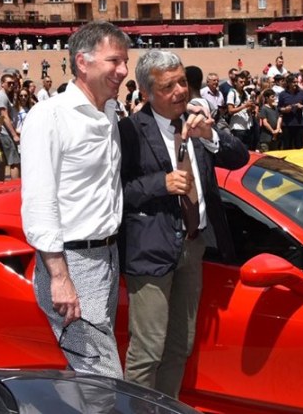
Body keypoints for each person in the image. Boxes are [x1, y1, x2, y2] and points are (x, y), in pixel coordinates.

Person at [118, 50, 248, 398]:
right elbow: (114, 192)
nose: (180, 91)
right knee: (148, 350)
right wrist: (159, 184)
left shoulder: (197, 117)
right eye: (167, 86)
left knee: (181, 345)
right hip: (151, 250)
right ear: (146, 93)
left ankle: (166, 407)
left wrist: (210, 135)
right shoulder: (129, 131)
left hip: (194, 244)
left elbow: (239, 157)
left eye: (183, 82)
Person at [21, 21, 130, 379]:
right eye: (114, 61)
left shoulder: (109, 113)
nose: (124, 70)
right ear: (82, 62)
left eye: (125, 61)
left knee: (92, 377)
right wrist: (59, 277)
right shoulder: (49, 116)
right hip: (73, 262)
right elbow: (39, 200)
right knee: (105, 379)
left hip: (107, 257)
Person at [0, 73, 21, 180]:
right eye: (9, 83)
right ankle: (15, 188)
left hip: (1, 133)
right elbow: (4, 115)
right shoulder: (2, 96)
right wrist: (14, 135)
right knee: (14, 162)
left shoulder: (2, 96)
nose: (11, 85)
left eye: (13, 83)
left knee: (2, 162)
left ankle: (2, 187)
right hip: (5, 133)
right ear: (2, 84)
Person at [277, 73, 303, 150]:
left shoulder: (302, 93)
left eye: (297, 82)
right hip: (287, 125)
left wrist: (301, 106)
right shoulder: (283, 94)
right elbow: (279, 108)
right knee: (287, 147)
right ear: (288, 83)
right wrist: (285, 110)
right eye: (294, 82)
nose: (296, 84)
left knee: (299, 147)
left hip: (299, 125)